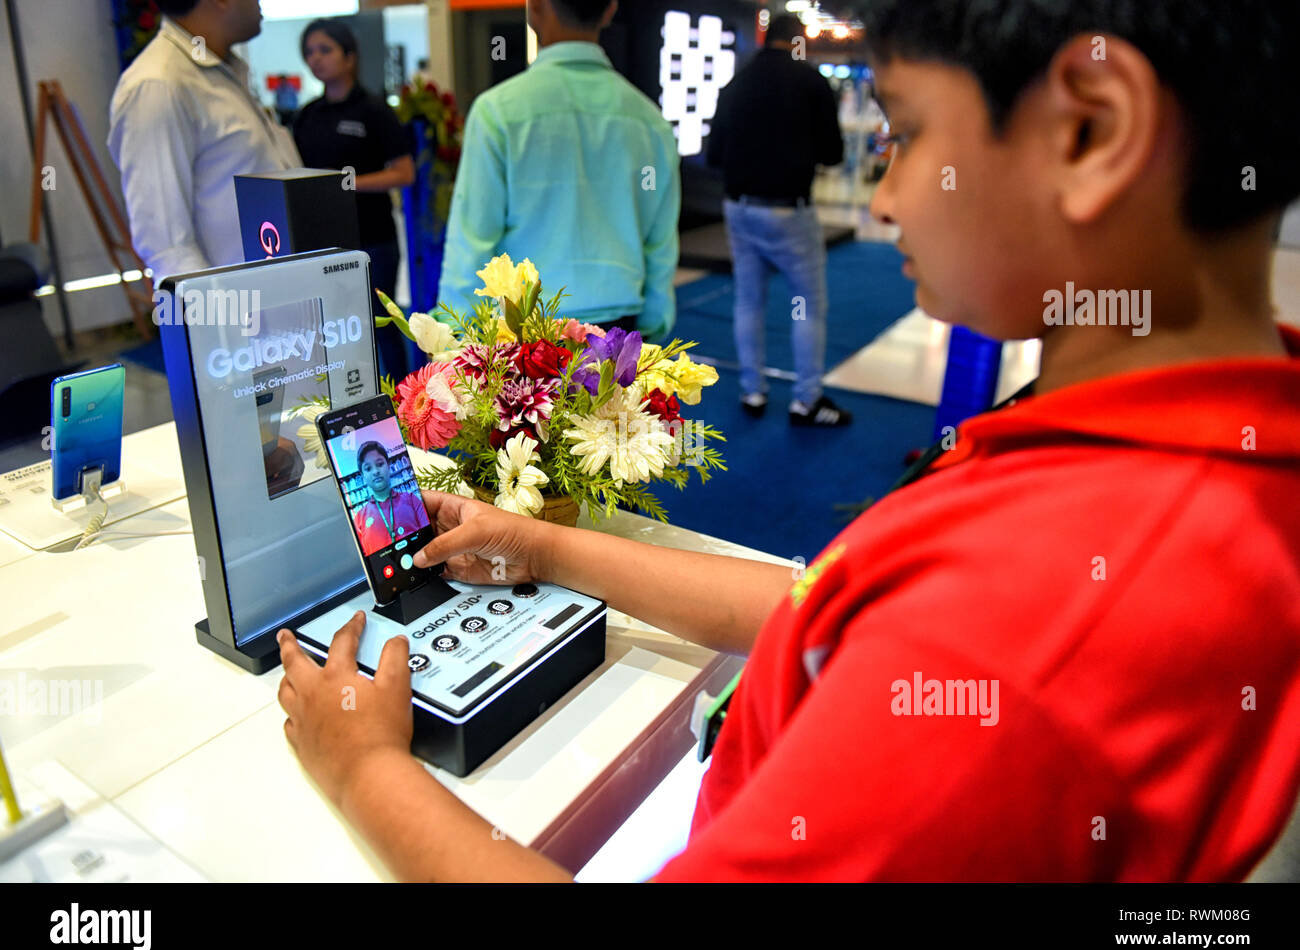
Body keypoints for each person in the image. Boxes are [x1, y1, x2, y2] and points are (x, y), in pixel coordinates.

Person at [273, 0, 1300, 881]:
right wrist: (538, 543)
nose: (889, 194)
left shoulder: (1018, 629)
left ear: (1090, 133)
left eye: (906, 131)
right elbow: (827, 611)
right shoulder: (1198, 451)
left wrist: (361, 765)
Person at [437, 0, 680, 342]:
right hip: (618, 330)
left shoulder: (498, 112)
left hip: (527, 333)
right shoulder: (650, 121)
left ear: (534, 7)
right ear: (610, 10)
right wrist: (652, 323)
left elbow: (473, 237)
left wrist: (454, 335)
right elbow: (659, 238)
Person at [707, 13, 851, 427]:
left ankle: (752, 391)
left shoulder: (736, 83)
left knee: (748, 300)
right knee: (806, 304)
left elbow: (714, 154)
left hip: (739, 208)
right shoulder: (810, 82)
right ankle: (806, 400)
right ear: (798, 39)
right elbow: (833, 153)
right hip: (789, 210)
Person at [108, 0, 302, 284]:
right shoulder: (158, 84)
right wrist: (221, 324)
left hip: (285, 300)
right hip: (243, 314)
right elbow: (168, 247)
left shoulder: (223, 71)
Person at [294, 18, 416, 381]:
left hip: (373, 240)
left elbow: (404, 173)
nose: (316, 59)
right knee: (334, 329)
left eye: (325, 50)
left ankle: (404, 401)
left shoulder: (375, 111)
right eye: (310, 52)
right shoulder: (307, 116)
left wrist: (346, 185)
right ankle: (351, 399)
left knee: (381, 323)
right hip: (323, 244)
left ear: (349, 57)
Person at [351, 442, 425, 556]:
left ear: (388, 466)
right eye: (368, 468)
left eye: (380, 464)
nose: (376, 471)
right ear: (363, 476)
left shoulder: (411, 500)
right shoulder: (359, 520)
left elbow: (428, 537)